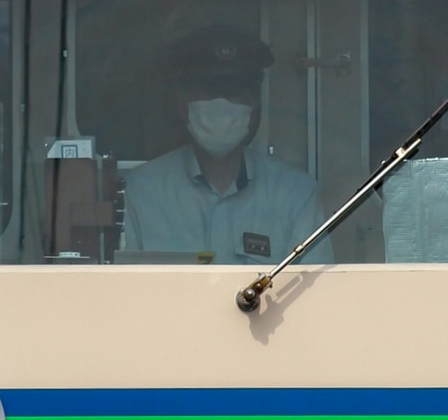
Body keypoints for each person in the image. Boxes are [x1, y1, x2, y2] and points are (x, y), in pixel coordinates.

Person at [121, 25, 324, 265]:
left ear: (254, 105)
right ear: (181, 101)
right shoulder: (145, 191)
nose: (221, 103)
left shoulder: (295, 193)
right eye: (208, 90)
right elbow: (128, 293)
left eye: (234, 91)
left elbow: (317, 296)